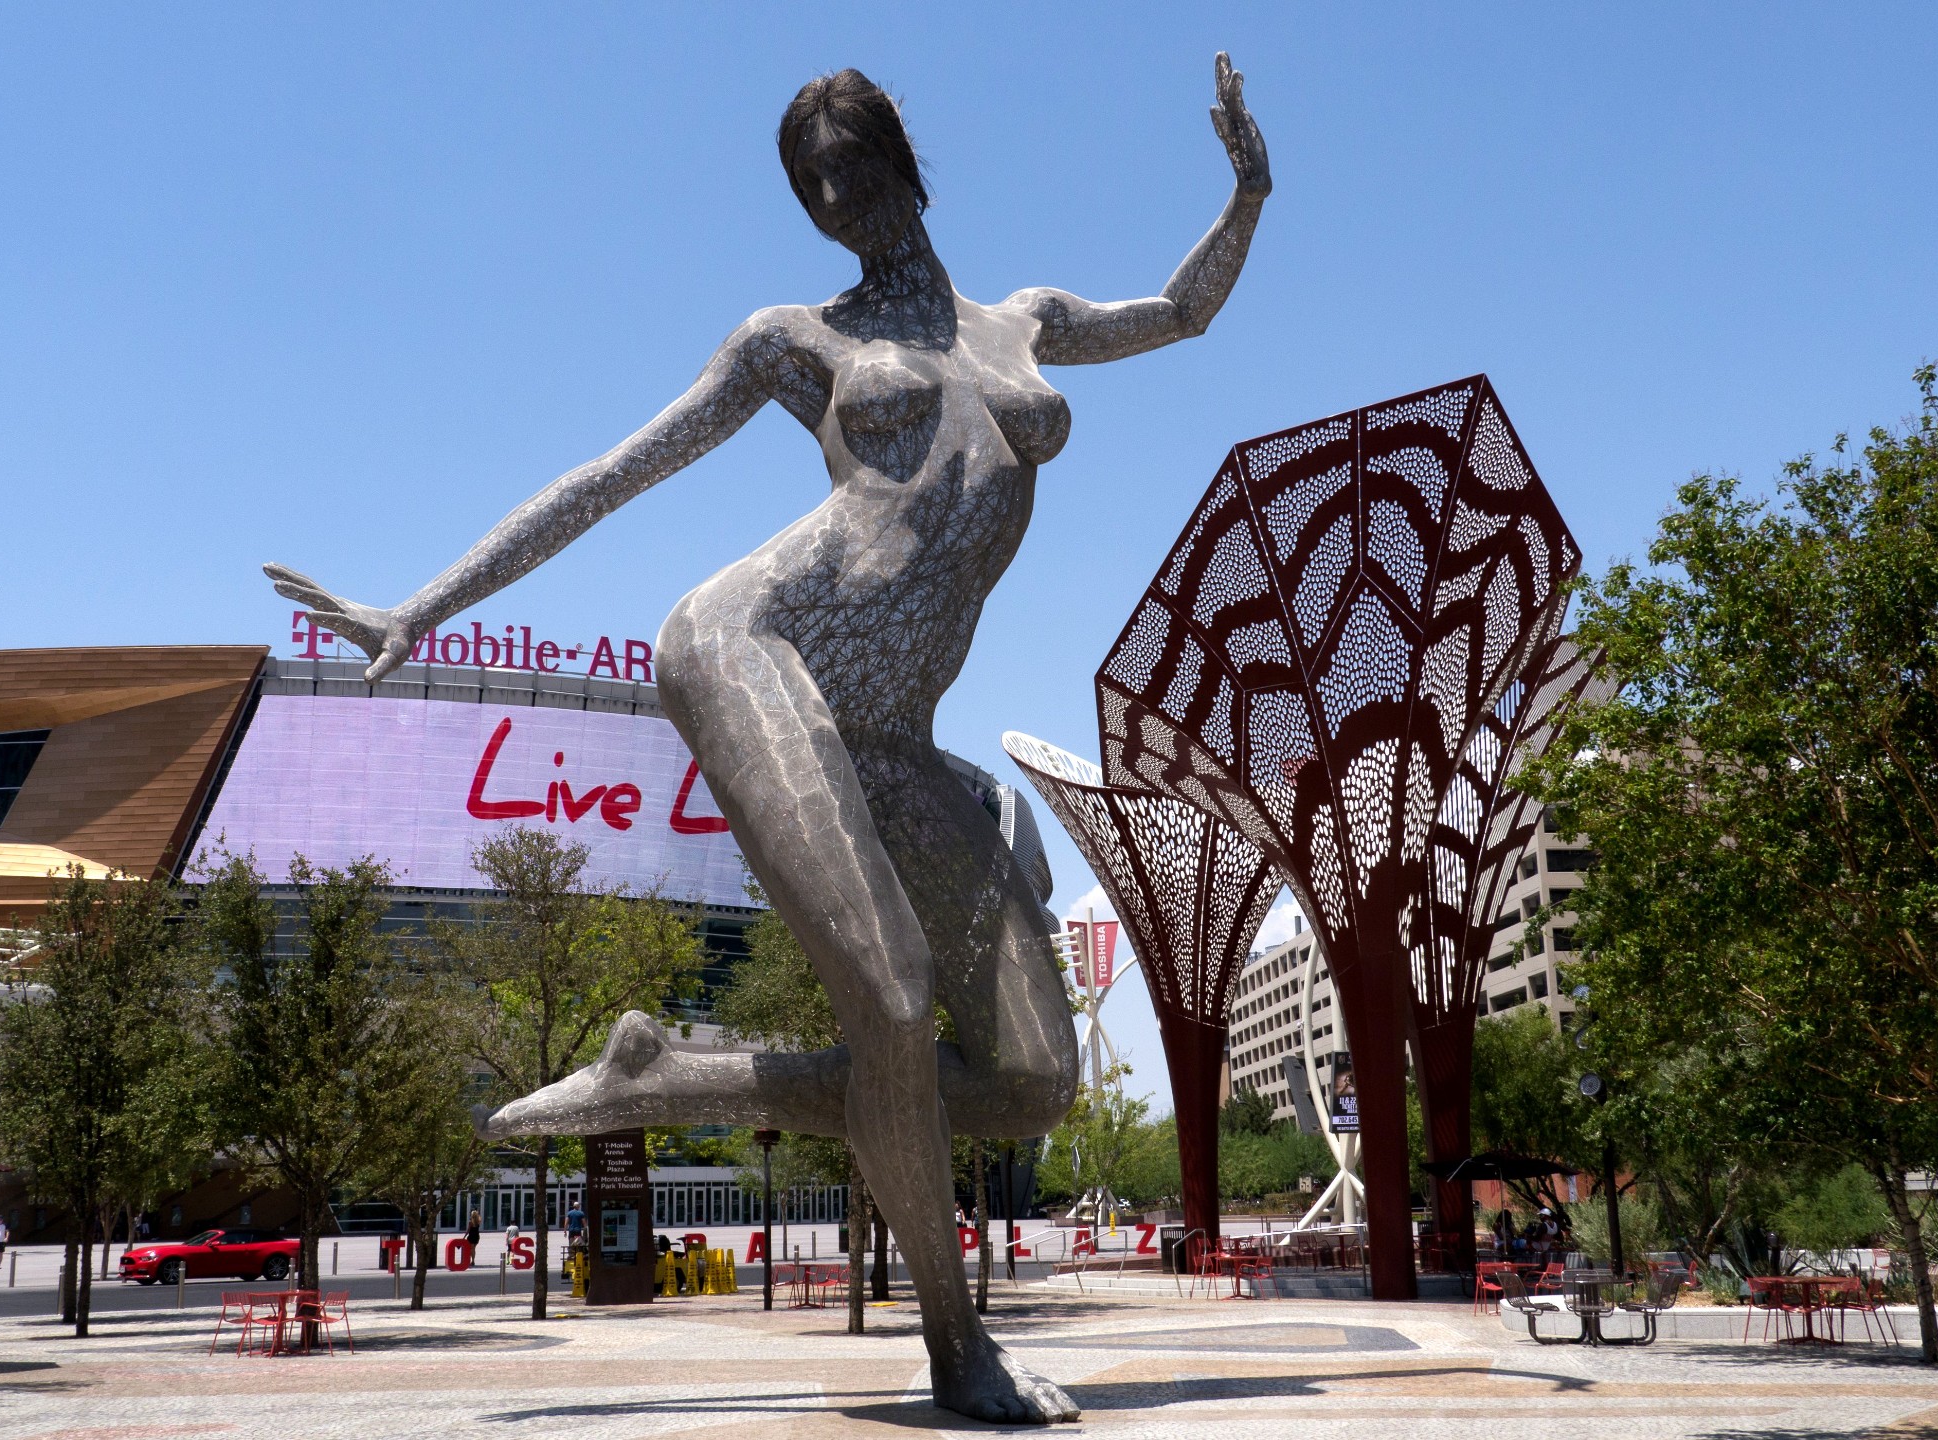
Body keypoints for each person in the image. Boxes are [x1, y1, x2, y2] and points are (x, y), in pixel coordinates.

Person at [266, 54, 1268, 1426]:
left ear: (905, 162)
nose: (834, 200)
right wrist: (424, 607)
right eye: (809, 185)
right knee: (892, 1003)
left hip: (892, 735)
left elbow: (1180, 313)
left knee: (1033, 1082)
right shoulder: (795, 336)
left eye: (850, 167)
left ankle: (671, 1076)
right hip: (755, 648)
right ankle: (956, 1352)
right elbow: (614, 474)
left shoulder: (1023, 322)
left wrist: (1245, 192)